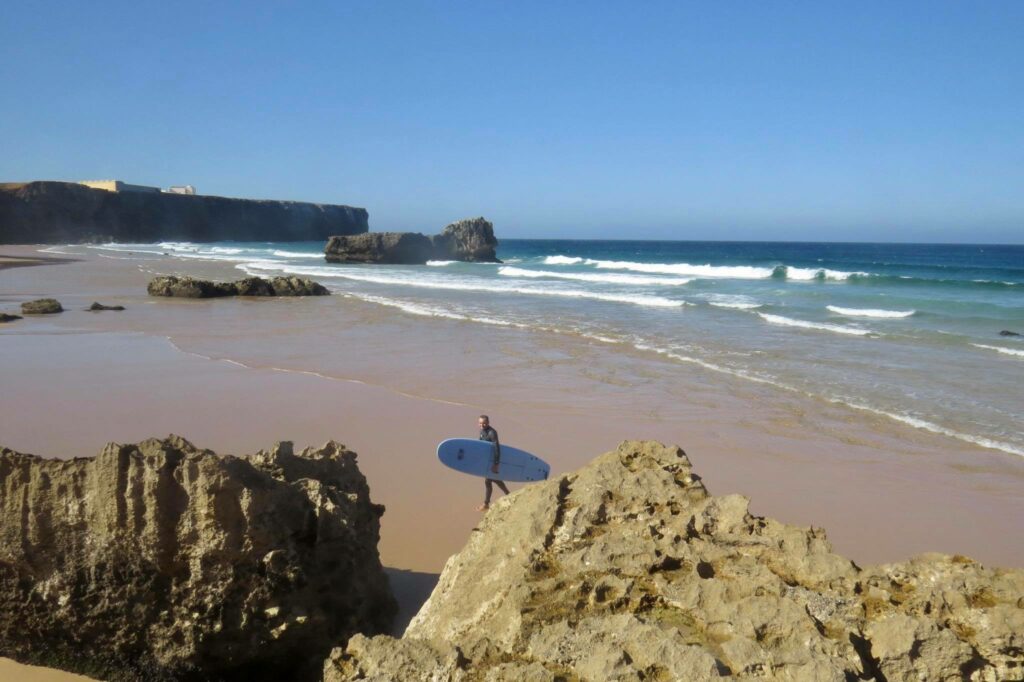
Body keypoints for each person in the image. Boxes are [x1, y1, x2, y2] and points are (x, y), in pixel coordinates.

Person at [477, 415, 509, 511]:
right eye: (480, 423)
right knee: (493, 479)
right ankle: (508, 494)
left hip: (493, 461)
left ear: (488, 423)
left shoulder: (492, 433)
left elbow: (496, 448)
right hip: (487, 460)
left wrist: (496, 463)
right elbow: (480, 445)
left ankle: (486, 504)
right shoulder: (482, 431)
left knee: (489, 481)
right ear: (478, 423)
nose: (482, 425)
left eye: (484, 423)